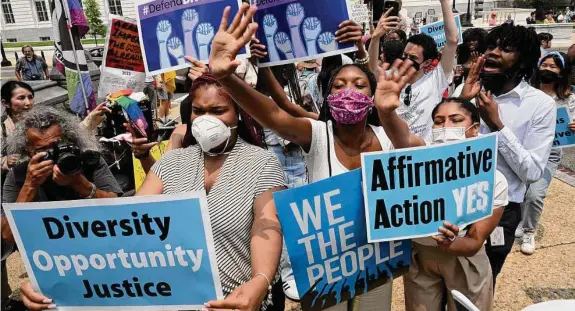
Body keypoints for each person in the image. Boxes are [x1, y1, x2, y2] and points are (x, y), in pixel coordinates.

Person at [205, 4, 418, 310]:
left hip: (377, 263)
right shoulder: (317, 134)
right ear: (328, 97)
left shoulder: (389, 136)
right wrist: (226, 78)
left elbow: (417, 155)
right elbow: (276, 114)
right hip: (325, 268)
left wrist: (389, 114)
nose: (349, 91)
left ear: (372, 97)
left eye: (359, 86)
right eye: (339, 85)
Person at [375, 91, 508, 310]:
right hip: (420, 256)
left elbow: (475, 241)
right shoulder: (419, 161)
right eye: (439, 121)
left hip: (464, 259)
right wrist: (386, 112)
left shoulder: (493, 180)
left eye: (456, 120)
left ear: (474, 129)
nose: (446, 126)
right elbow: (403, 138)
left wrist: (451, 243)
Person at [454, 24, 555, 286]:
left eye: (506, 49)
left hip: (501, 209)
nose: (494, 53)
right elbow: (440, 151)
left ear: (523, 61)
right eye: (491, 46)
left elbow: (532, 172)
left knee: (478, 286)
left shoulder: (540, 105)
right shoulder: (465, 92)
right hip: (456, 201)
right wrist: (464, 105)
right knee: (444, 281)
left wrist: (497, 124)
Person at [517, 52, 575, 254]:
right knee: (520, 191)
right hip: (522, 149)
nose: (548, 70)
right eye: (545, 65)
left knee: (535, 194)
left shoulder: (569, 99)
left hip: (549, 154)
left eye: (554, 67)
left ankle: (529, 230)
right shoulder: (525, 92)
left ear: (562, 72)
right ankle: (520, 220)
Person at [394, 0, 458, 140]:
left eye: (413, 58)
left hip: (424, 155)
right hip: (395, 153)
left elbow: (452, 40)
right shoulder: (392, 79)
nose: (407, 60)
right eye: (404, 55)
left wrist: (444, 3)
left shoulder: (436, 80)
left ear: (427, 62)